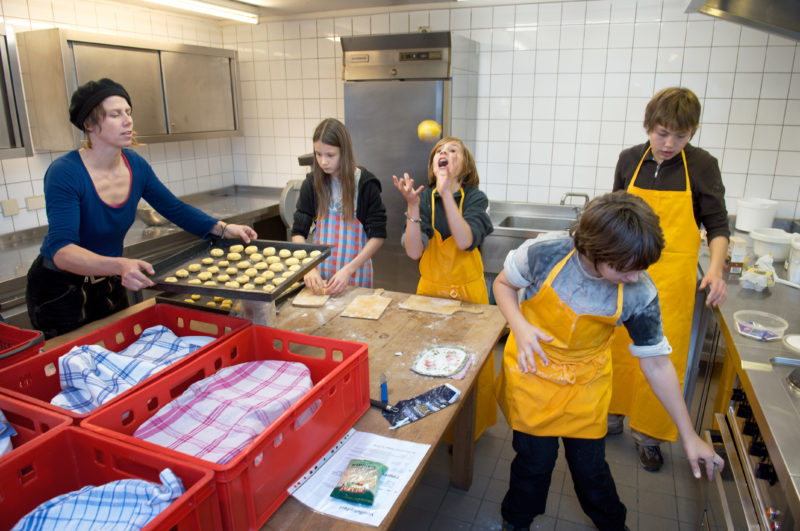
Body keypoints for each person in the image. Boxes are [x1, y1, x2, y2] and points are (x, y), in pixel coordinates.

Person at [495, 191, 724, 531]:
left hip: (586, 384)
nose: (634, 278)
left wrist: (688, 434)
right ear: (594, 250)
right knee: (533, 462)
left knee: (590, 467)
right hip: (534, 374)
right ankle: (517, 521)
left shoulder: (639, 292)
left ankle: (613, 525)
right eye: (625, 268)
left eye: (640, 269)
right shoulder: (545, 253)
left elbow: (658, 364)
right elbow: (503, 284)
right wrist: (520, 326)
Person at [26, 78, 256, 339]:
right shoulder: (65, 173)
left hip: (110, 281)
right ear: (89, 124)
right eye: (115, 114)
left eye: (128, 112)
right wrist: (120, 264)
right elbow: (62, 251)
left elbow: (174, 208)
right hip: (61, 290)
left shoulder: (135, 164)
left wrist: (222, 228)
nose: (128, 120)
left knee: (123, 350)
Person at [607, 87, 730, 472]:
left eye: (681, 136)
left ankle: (650, 435)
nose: (668, 144)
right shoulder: (630, 159)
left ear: (692, 133)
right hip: (626, 275)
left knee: (661, 355)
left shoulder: (703, 166)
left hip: (672, 283)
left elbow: (717, 225)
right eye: (661, 133)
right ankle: (610, 415)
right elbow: (614, 213)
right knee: (617, 347)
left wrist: (715, 268)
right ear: (649, 126)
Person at [393, 136, 496, 439]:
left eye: (454, 151)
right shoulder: (424, 199)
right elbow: (414, 251)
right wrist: (413, 206)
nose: (445, 153)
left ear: (464, 166)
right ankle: (433, 428)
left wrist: (447, 193)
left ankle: (466, 432)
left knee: (468, 367)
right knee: (428, 363)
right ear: (433, 163)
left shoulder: (476, 198)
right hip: (430, 296)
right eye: (440, 150)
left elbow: (464, 241)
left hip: (469, 298)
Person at [291, 118, 386, 295]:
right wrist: (307, 267)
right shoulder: (312, 184)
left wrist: (348, 270)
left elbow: (378, 235)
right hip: (321, 278)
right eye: (318, 154)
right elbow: (298, 232)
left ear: (345, 152)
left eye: (330, 155)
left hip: (355, 277)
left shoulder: (365, 184)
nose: (323, 162)